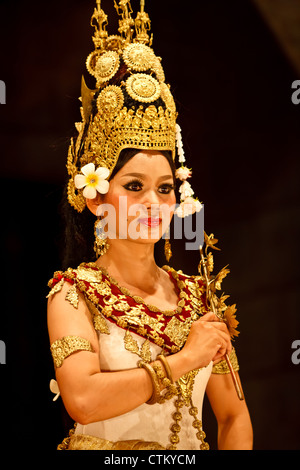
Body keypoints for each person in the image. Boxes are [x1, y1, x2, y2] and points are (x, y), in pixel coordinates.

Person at [47, 0, 253, 450]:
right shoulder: (74, 293)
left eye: (164, 188)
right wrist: (187, 358)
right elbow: (82, 399)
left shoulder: (198, 297)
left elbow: (234, 415)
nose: (152, 203)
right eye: (135, 185)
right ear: (97, 197)